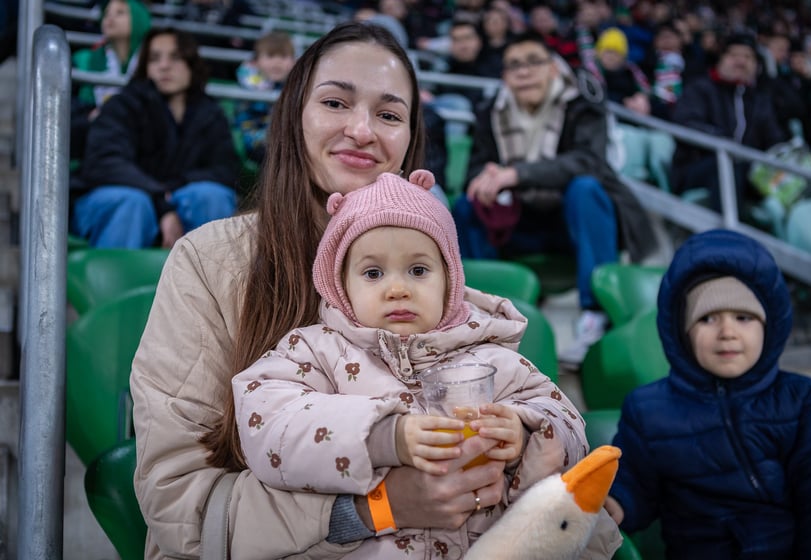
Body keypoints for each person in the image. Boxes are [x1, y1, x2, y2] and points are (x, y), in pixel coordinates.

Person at [129, 22, 605, 559]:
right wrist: (377, 507)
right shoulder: (210, 261)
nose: (361, 130)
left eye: (388, 114)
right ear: (293, 118)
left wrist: (540, 483)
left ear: (409, 141)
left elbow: (548, 459)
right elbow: (176, 505)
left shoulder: (439, 291)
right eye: (336, 102)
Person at [231, 170, 618, 557]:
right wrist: (385, 437)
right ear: (340, 284)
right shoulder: (313, 352)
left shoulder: (491, 355)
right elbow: (267, 422)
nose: (398, 288)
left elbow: (567, 424)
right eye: (373, 273)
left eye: (418, 270)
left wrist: (522, 433)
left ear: (449, 281)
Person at [604, 228, 811, 558]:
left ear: (768, 327)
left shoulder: (802, 399)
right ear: (682, 332)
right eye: (708, 318)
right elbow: (633, 487)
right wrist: (614, 501)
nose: (727, 332)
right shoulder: (648, 409)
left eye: (743, 318)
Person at [451, 31, 657, 368]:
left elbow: (589, 161)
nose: (523, 71)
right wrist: (485, 175)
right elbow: (475, 168)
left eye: (533, 61)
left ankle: (595, 315)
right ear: (504, 76)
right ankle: (484, 310)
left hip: (572, 224)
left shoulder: (582, 104)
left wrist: (516, 174)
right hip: (519, 223)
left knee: (585, 188)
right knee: (467, 204)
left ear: (552, 68)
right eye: (514, 65)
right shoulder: (491, 112)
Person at [71, 28, 239, 249]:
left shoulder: (211, 113)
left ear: (192, 64)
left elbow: (226, 169)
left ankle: (212, 283)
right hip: (113, 199)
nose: (164, 66)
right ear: (145, 67)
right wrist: (161, 200)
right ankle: (118, 283)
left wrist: (173, 188)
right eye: (154, 58)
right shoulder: (122, 105)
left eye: (175, 57)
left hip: (173, 195)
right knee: (132, 203)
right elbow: (106, 163)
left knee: (211, 197)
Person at [670, 31, 788, 215]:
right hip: (697, 167)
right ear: (721, 60)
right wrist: (728, 145)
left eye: (748, 57)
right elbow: (686, 124)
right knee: (727, 167)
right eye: (734, 55)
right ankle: (730, 237)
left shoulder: (758, 99)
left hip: (747, 169)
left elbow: (774, 139)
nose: (741, 61)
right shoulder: (700, 88)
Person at [70, 0, 151, 159]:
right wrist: (89, 116)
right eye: (107, 13)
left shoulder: (155, 65)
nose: (110, 18)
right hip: (90, 147)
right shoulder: (82, 60)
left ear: (139, 20)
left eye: (120, 13)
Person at [233, 30, 296, 164]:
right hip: (254, 137)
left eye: (284, 57)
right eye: (271, 56)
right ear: (256, 61)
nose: (277, 62)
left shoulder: (294, 84)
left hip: (284, 138)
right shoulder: (251, 82)